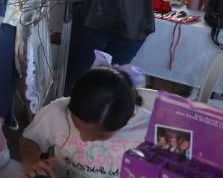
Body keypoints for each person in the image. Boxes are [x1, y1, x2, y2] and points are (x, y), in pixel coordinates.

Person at [21, 67, 149, 178]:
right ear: (70, 105)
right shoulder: (58, 112)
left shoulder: (148, 129)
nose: (85, 138)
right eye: (77, 126)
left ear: (130, 117)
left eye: (100, 136)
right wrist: (33, 164)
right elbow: (31, 140)